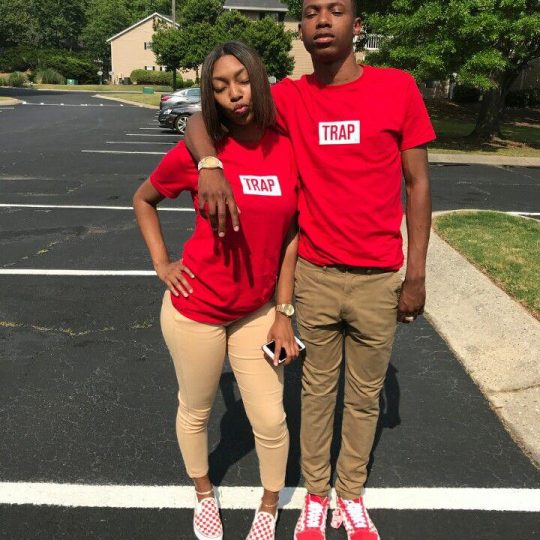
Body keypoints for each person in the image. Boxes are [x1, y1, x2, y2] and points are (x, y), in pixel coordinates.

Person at [184, 1, 436, 539]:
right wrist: (209, 164)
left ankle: (352, 494)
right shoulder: (291, 98)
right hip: (316, 274)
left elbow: (418, 185)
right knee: (316, 392)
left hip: (379, 274)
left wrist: (415, 275)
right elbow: (200, 118)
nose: (323, 20)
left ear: (356, 25)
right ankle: (317, 497)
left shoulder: (398, 89)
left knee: (365, 396)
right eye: (311, 11)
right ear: (300, 29)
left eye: (336, 10)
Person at [133, 41, 301, 540]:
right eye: (220, 86)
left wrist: (284, 310)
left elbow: (292, 233)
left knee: (270, 418)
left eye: (242, 80)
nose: (234, 93)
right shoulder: (202, 151)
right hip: (196, 309)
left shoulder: (285, 143)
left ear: (259, 78)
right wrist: (162, 263)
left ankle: (268, 508)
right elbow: (144, 199)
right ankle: (204, 492)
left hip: (258, 311)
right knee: (197, 409)